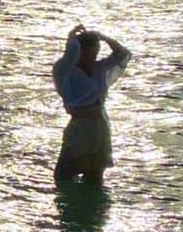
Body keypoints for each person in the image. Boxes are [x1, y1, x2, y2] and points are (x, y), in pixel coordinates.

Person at [52, 23, 132, 185]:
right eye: (89, 53)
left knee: (95, 176)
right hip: (79, 126)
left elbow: (123, 54)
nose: (93, 57)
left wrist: (102, 37)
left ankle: (95, 209)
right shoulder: (65, 71)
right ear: (79, 52)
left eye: (96, 52)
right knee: (64, 175)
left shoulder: (99, 69)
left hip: (100, 127)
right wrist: (72, 37)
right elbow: (70, 55)